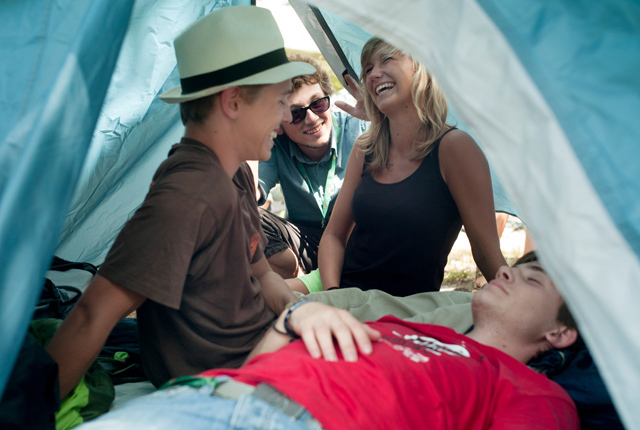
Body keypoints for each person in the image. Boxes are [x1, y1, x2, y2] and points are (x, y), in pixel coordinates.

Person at [46, 6, 368, 397]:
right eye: (279, 100)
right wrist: (30, 414)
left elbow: (264, 275)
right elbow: (91, 315)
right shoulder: (187, 197)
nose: (287, 115)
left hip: (270, 346)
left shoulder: (232, 174)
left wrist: (299, 311)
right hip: (238, 383)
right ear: (233, 102)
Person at [77, 253, 580, 429]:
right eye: (514, 267)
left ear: (559, 333)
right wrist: (290, 322)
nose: (507, 273)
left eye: (532, 279)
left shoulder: (534, 393)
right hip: (205, 396)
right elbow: (256, 371)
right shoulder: (411, 328)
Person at [317, 37, 507, 296]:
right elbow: (333, 237)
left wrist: (520, 304)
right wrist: (332, 295)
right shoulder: (365, 148)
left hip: (407, 313)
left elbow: (486, 252)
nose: (373, 74)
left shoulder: (455, 148)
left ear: (421, 68)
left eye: (386, 59)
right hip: (346, 297)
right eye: (368, 69)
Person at [256, 53, 368, 280]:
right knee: (245, 215)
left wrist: (383, 119)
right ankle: (299, 276)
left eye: (317, 104)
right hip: (302, 241)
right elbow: (251, 194)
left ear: (329, 98)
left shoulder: (361, 128)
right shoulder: (275, 145)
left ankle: (304, 283)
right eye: (296, 113)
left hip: (357, 238)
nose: (311, 118)